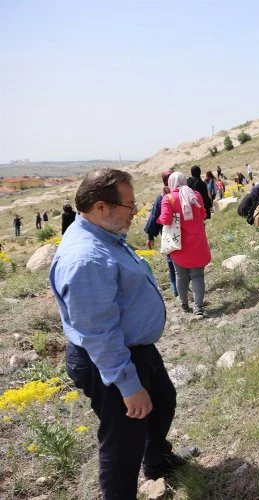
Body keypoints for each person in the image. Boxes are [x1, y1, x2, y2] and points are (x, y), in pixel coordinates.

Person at [50, 169, 187, 498]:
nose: (135, 211)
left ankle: (156, 462)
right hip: (109, 359)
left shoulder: (104, 236)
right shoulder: (86, 259)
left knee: (162, 402)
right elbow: (98, 333)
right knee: (123, 442)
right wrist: (127, 384)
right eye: (129, 205)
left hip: (134, 349)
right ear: (101, 207)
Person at [157, 172, 211, 319]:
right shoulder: (196, 195)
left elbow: (166, 219)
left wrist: (159, 219)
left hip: (178, 244)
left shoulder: (168, 199)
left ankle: (184, 304)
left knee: (180, 275)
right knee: (198, 275)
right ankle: (198, 307)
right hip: (197, 242)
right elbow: (203, 214)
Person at [143, 170, 178, 297]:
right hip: (176, 233)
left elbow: (154, 216)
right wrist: (150, 236)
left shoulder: (162, 196)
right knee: (176, 259)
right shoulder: (179, 194)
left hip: (168, 233)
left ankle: (176, 287)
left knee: (172, 259)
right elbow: (155, 215)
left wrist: (150, 236)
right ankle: (178, 286)